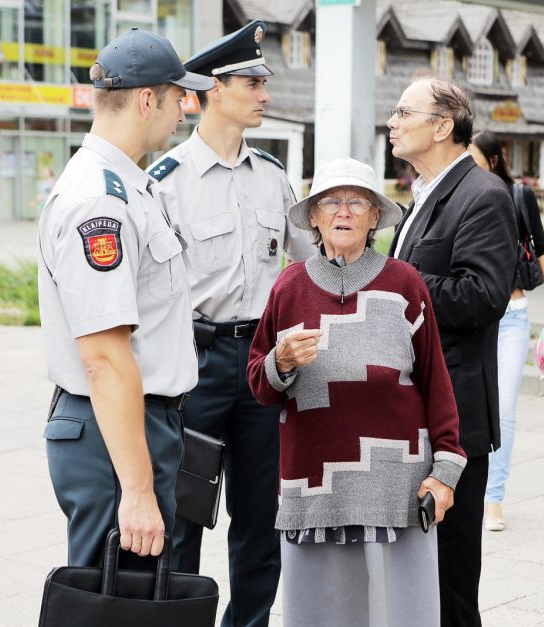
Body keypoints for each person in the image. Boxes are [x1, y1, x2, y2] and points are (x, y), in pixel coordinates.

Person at [247, 158, 467, 627]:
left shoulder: (405, 283)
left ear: (373, 218)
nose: (342, 212)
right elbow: (260, 384)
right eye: (330, 202)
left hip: (396, 490)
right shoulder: (289, 286)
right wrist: (281, 362)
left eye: (356, 202)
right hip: (313, 488)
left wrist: (446, 470)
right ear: (313, 217)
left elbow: (437, 380)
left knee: (403, 616)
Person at [146, 20, 314, 627]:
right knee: (183, 512)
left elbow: (309, 266)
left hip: (262, 366)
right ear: (215, 89)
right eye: (253, 82)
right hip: (194, 363)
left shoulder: (273, 178)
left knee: (261, 517)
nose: (265, 94)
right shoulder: (165, 183)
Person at [37, 28, 213, 569]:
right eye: (178, 97)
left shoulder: (126, 182)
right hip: (115, 434)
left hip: (132, 426)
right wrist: (137, 490)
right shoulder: (102, 201)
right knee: (114, 601)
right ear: (145, 100)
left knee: (133, 598)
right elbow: (106, 358)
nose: (185, 111)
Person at [387, 77, 518, 627]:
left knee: (449, 582)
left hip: (454, 421)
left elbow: (483, 296)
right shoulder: (422, 193)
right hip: (409, 412)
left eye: (403, 112)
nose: (392, 122)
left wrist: (397, 281)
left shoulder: (483, 194)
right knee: (414, 581)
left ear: (442, 126)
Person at [469, 130, 544, 532]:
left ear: (494, 160)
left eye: (474, 158)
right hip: (475, 316)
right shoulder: (465, 196)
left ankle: (494, 499)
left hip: (512, 314)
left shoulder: (518, 196)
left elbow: (541, 247)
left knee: (504, 410)